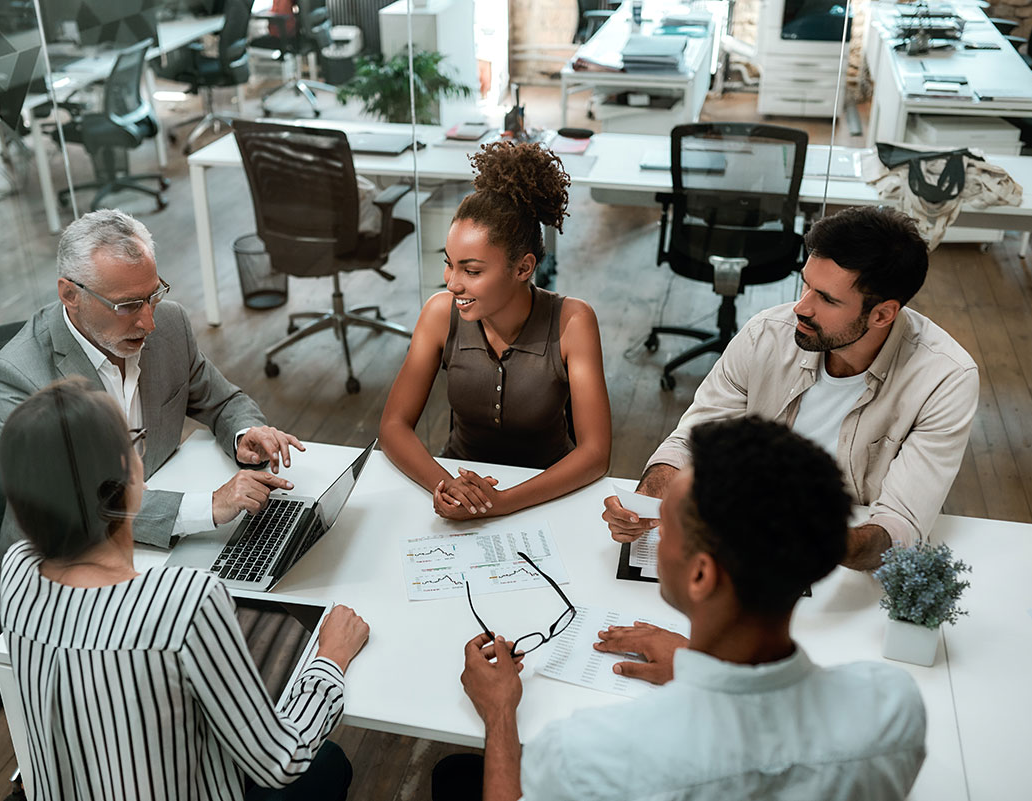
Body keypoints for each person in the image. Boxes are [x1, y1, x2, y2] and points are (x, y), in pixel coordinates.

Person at [455, 417, 927, 801]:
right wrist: (700, 661)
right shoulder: (891, 708)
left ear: (700, 576)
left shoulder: (588, 754)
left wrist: (499, 713)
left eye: (666, 527)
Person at [0, 377, 369, 801]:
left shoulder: (18, 570)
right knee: (328, 763)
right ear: (123, 479)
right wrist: (329, 661)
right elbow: (280, 760)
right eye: (133, 444)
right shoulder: (186, 601)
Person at [604, 206, 979, 570]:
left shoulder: (945, 379)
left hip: (843, 559)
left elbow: (899, 526)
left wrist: (820, 541)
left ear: (882, 314)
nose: (801, 307)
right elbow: (690, 442)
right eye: (806, 285)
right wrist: (648, 498)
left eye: (827, 299)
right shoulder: (765, 333)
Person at [0, 209, 302, 589]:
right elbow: (82, 501)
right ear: (70, 294)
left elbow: (220, 400)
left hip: (161, 541)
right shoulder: (18, 376)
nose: (149, 321)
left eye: (153, 295)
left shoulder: (169, 324)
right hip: (67, 567)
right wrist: (210, 506)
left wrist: (244, 432)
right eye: (128, 305)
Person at [379, 142, 611, 520]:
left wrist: (498, 504)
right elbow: (393, 426)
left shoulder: (573, 321)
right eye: (449, 264)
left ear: (523, 268)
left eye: (471, 271)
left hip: (549, 494)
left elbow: (595, 454)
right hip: (457, 483)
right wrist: (445, 486)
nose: (452, 283)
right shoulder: (440, 314)